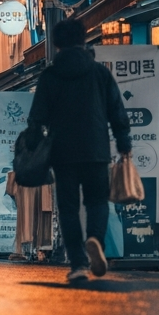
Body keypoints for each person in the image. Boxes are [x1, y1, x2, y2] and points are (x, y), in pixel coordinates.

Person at [25, 18, 132, 283]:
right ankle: (95, 238)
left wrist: (32, 146)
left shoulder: (50, 76)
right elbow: (117, 111)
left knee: (68, 208)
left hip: (63, 153)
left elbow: (37, 118)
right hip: (96, 149)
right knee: (97, 201)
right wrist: (123, 144)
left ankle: (78, 263)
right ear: (84, 40)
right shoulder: (99, 73)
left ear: (56, 43)